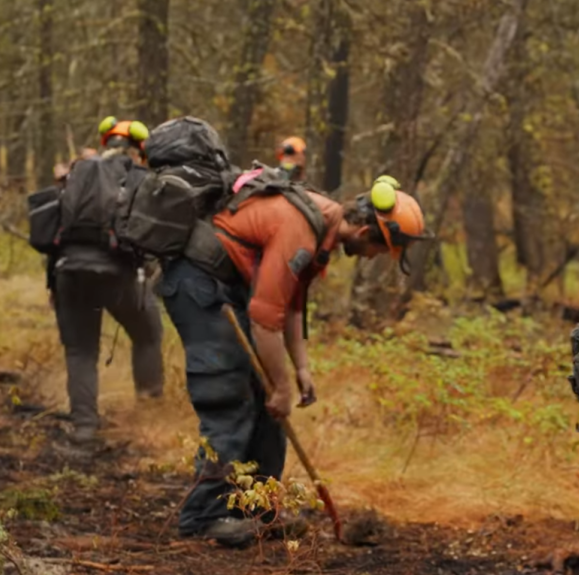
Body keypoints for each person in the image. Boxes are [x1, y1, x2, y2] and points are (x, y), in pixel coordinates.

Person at [159, 170, 428, 547]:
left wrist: (300, 368)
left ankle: (258, 513)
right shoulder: (299, 228)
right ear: (366, 234)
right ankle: (202, 518)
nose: (371, 258)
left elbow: (292, 304)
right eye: (378, 252)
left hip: (229, 287)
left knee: (268, 406)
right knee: (230, 394)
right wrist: (282, 387)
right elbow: (265, 317)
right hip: (199, 285)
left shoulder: (324, 231)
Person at [51, 117, 164, 445]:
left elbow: (57, 231)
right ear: (140, 149)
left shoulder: (77, 172)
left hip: (69, 271)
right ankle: (150, 412)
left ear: (106, 143)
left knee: (81, 351)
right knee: (147, 334)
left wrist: (52, 284)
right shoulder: (141, 178)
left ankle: (84, 427)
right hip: (119, 275)